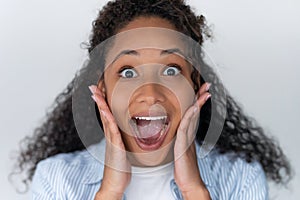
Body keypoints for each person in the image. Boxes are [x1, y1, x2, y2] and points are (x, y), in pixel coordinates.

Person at [13, 0, 292, 199]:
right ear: (103, 88)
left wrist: (194, 190)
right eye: (127, 71)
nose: (150, 94)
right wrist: (110, 191)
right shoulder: (56, 178)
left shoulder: (241, 178)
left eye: (171, 70)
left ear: (195, 85)